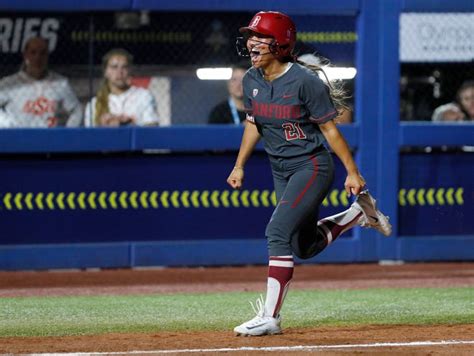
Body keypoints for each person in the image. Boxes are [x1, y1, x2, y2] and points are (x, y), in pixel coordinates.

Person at [227, 11, 392, 337]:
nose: (252, 43)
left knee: (276, 232)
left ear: (281, 44)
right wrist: (239, 164)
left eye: (261, 37)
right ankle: (356, 215)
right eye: (252, 36)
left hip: (312, 166)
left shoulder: (304, 81)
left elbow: (330, 131)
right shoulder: (251, 79)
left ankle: (270, 317)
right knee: (303, 246)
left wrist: (352, 172)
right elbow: (252, 123)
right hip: (281, 170)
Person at [0, 37, 82, 128]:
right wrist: (8, 124)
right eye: (33, 52)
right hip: (19, 138)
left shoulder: (60, 83)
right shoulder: (10, 83)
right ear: (25, 55)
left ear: (47, 56)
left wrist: (67, 134)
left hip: (50, 138)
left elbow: (76, 110)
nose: (37, 57)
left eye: (43, 53)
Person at [85, 48, 159, 127]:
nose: (119, 72)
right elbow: (90, 136)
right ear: (106, 72)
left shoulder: (143, 96)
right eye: (114, 67)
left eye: (124, 67)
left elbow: (152, 129)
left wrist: (125, 124)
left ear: (129, 71)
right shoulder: (94, 104)